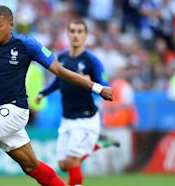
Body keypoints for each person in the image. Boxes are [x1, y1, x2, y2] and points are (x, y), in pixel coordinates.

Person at [0, 6, 113, 186]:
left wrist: (97, 88)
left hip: (15, 109)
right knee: (30, 166)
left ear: (10, 25)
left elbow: (59, 70)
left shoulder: (27, 45)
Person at [35, 20, 119, 186]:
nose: (75, 35)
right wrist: (43, 93)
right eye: (72, 31)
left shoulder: (91, 61)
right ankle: (97, 144)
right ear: (67, 34)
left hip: (86, 119)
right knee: (63, 165)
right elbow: (59, 80)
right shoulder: (63, 57)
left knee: (72, 161)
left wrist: (93, 84)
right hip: (67, 118)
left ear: (86, 36)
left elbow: (106, 87)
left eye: (80, 31)